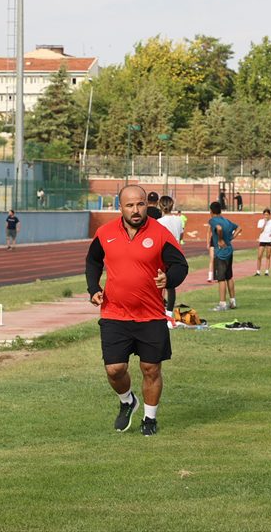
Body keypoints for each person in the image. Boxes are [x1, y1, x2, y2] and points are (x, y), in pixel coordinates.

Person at [86, 185, 189, 436]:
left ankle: (149, 419)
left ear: (147, 205)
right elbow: (93, 260)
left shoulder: (161, 233)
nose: (135, 210)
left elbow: (180, 265)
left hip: (150, 314)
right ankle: (127, 401)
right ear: (119, 207)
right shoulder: (105, 232)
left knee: (151, 369)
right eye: (130, 205)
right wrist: (93, 288)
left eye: (140, 204)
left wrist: (169, 278)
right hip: (114, 313)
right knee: (115, 369)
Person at [208, 201, 241, 312]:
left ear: (211, 211)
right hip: (229, 251)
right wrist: (231, 238)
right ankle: (233, 301)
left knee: (221, 278)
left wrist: (221, 239)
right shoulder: (227, 221)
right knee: (229, 277)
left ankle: (222, 304)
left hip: (220, 253)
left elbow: (219, 228)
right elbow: (239, 228)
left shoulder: (213, 220)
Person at [156, 195, 186, 312]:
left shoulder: (159, 222)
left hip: (163, 253)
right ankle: (169, 314)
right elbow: (181, 234)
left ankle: (159, 310)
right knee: (170, 285)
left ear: (160, 206)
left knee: (159, 283)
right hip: (177, 253)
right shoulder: (178, 219)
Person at [255, 208, 271, 276]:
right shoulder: (260, 221)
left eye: (267, 214)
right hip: (262, 240)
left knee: (268, 256)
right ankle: (258, 271)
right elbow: (260, 231)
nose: (266, 216)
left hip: (269, 240)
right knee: (259, 256)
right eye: (265, 214)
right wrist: (265, 223)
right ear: (263, 215)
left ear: (269, 215)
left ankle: (266, 271)